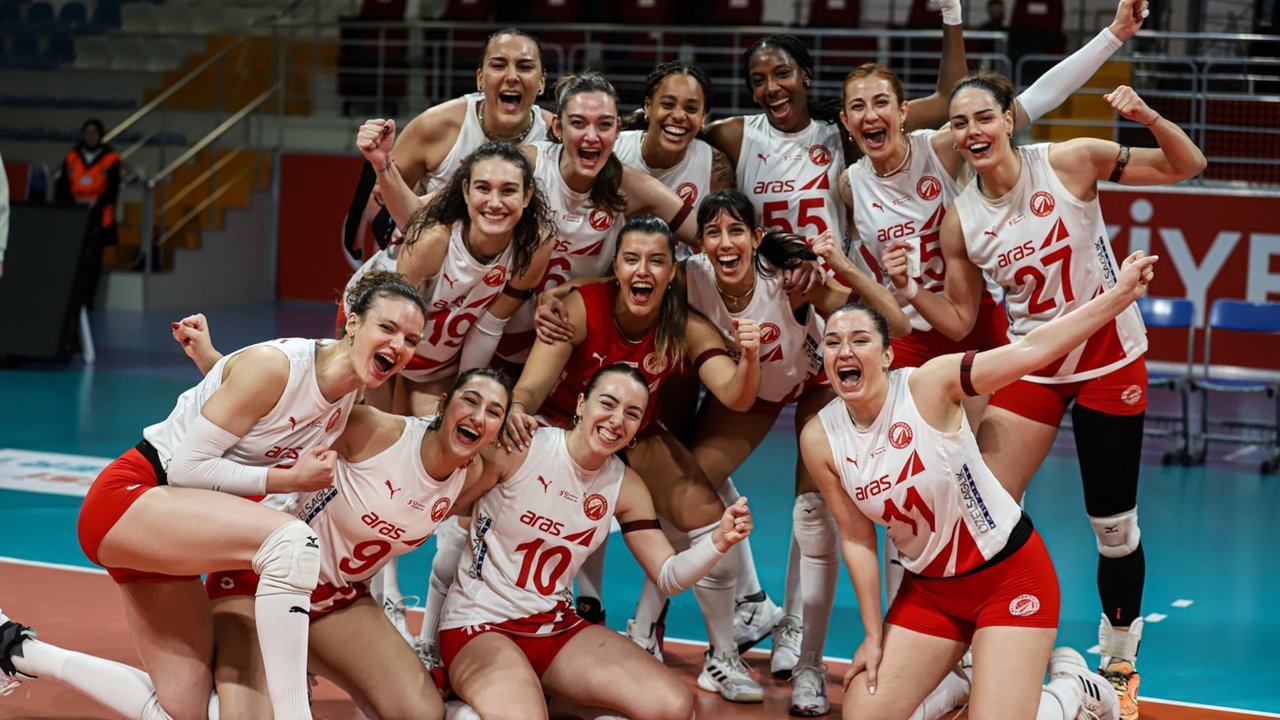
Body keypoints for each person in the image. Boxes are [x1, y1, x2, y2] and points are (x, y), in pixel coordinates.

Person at [896, 73, 1205, 719]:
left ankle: (1117, 664)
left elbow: (1188, 164)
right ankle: (974, 655)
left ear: (1009, 119)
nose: (972, 131)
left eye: (984, 117)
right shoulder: (960, 220)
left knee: (1113, 527)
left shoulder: (1071, 161)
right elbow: (959, 319)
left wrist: (1148, 116)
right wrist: (908, 289)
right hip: (1034, 367)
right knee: (981, 512)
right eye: (959, 123)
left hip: (1109, 359)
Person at [0, 367, 511, 720]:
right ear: (443, 405)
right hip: (259, 582)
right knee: (216, 714)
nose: (479, 416)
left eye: (494, 411)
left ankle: (291, 662)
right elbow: (284, 413)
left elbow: (544, 458)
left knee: (419, 712)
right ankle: (20, 650)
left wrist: (530, 417)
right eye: (470, 400)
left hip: (336, 600)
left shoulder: (473, 475)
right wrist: (215, 364)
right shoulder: (375, 430)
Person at [803, 248, 1160, 720]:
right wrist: (872, 635)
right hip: (929, 592)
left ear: (887, 354)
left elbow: (1032, 350)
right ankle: (968, 681)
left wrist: (1118, 297)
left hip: (1008, 577)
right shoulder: (821, 437)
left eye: (860, 339)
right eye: (832, 342)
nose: (845, 351)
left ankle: (1075, 688)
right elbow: (855, 537)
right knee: (862, 715)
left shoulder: (930, 385)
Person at [68, 269, 426, 720]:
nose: (398, 345)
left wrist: (214, 362)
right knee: (291, 541)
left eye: (411, 340)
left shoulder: (346, 397)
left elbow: (261, 408)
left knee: (188, 709)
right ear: (352, 322)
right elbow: (187, 468)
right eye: (387, 328)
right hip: (133, 501)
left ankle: (19, 650)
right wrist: (288, 479)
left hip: (173, 537)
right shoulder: (277, 365)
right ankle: (294, 712)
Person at [499, 214, 767, 702]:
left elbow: (735, 395)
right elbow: (532, 387)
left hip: (634, 434)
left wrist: (749, 359)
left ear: (672, 271)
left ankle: (722, 657)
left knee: (710, 520)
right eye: (632, 259)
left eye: (656, 261)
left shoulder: (683, 324)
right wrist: (517, 409)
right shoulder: (580, 307)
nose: (643, 270)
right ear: (617, 267)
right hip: (565, 429)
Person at [440, 363, 754, 719]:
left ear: (639, 426)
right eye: (608, 403)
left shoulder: (625, 486)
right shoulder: (523, 447)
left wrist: (717, 542)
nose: (617, 420)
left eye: (632, 413)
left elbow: (668, 575)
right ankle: (462, 709)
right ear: (581, 404)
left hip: (554, 627)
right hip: (480, 624)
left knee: (673, 706)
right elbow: (443, 507)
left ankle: (539, 701)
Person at [703, 0, 965, 262]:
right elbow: (681, 140)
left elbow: (947, 101)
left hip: (833, 282)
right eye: (759, 80)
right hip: (767, 282)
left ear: (805, 76)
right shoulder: (734, 136)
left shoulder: (845, 127)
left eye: (782, 73)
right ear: (752, 91)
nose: (771, 88)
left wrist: (951, 12)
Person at [356, 134, 557, 416]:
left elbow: (489, 325)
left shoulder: (535, 244)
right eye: (483, 188)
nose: (495, 203)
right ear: (466, 191)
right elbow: (389, 327)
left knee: (445, 428)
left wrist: (465, 390)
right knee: (379, 427)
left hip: (437, 356)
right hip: (379, 331)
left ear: (527, 196)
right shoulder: (434, 240)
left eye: (508, 191)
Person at [342, 27, 552, 261]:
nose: (512, 76)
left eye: (525, 67)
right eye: (498, 65)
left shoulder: (557, 136)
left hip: (513, 269)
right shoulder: (433, 126)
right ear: (480, 78)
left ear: (542, 81)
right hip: (427, 264)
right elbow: (377, 207)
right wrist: (384, 179)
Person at [614, 61, 736, 259]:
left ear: (703, 116)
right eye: (668, 105)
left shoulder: (714, 167)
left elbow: (721, 242)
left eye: (691, 109)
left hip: (683, 274)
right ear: (648, 107)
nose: (679, 115)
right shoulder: (614, 149)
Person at [54, 118, 120, 305]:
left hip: (99, 216)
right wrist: (74, 202)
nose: (90, 136)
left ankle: (88, 299)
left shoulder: (111, 158)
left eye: (94, 132)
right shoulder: (73, 156)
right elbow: (62, 186)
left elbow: (113, 189)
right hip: (75, 214)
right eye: (87, 132)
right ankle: (71, 297)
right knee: (74, 258)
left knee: (94, 260)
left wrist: (95, 202)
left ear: (100, 135)